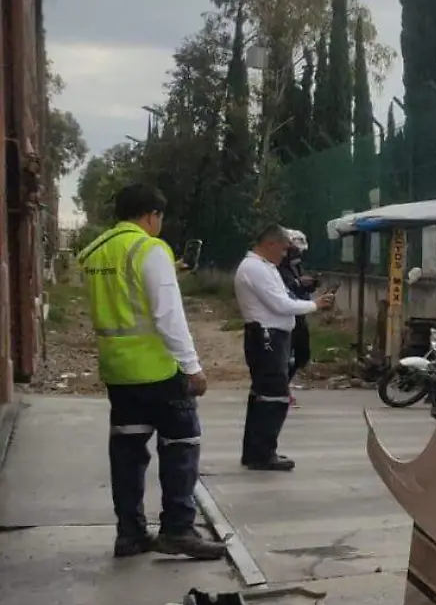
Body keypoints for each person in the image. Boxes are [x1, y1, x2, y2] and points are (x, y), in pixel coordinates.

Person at [76, 183, 226, 560]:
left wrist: (166, 271)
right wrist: (192, 367)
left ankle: (130, 534)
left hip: (118, 372)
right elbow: (167, 315)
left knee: (127, 453)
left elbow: (124, 288)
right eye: (159, 217)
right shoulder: (150, 249)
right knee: (181, 446)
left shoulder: (95, 252)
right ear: (150, 215)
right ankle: (177, 530)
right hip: (159, 371)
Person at [234, 224, 334, 471]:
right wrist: (315, 305)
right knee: (273, 396)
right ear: (270, 244)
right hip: (266, 337)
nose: (284, 254)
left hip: (273, 336)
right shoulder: (254, 268)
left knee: (264, 395)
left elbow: (284, 299)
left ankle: (255, 451)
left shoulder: (266, 267)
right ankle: (264, 453)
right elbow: (280, 304)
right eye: (283, 248)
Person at [279, 229, 316, 395]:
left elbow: (300, 285)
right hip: (285, 313)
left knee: (302, 354)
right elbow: (285, 287)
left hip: (299, 310)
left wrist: (310, 283)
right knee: (286, 353)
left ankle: (283, 384)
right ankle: (280, 387)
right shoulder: (277, 266)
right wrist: (297, 283)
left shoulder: (296, 265)